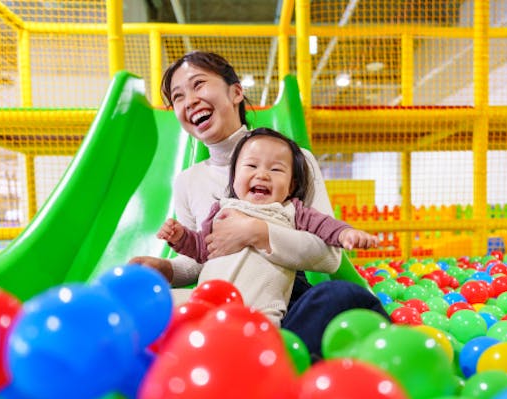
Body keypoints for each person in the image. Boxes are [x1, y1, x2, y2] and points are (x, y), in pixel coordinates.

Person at [129, 51, 387, 358]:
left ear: (236, 92)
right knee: (142, 306)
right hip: (217, 299)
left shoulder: (293, 161)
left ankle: (270, 362)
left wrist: (257, 231)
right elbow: (205, 256)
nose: (190, 101)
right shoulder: (188, 181)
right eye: (178, 96)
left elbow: (328, 256)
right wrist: (167, 268)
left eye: (198, 85)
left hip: (278, 296)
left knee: (342, 297)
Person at [158, 127, 378, 326]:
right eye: (252, 166)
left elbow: (324, 225)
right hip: (205, 303)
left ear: (291, 185)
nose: (262, 174)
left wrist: (345, 233)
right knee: (161, 303)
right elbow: (201, 248)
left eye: (276, 170)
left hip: (259, 313)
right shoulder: (221, 210)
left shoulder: (292, 211)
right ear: (234, 178)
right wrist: (180, 238)